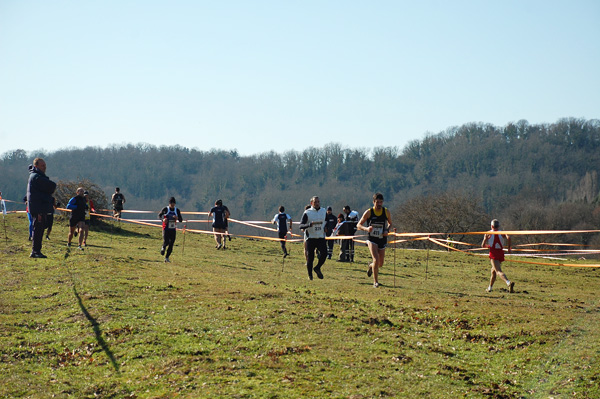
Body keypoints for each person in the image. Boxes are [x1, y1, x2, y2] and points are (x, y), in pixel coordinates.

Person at [357, 193, 393, 288]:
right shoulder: (369, 212)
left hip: (382, 239)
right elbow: (358, 225)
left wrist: (387, 230)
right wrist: (366, 229)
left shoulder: (386, 212)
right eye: (377, 202)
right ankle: (375, 282)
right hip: (372, 239)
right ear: (373, 202)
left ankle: (371, 266)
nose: (379, 204)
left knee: (380, 264)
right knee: (376, 259)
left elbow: (390, 223)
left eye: (381, 202)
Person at [26, 158, 57, 258]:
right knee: (38, 229)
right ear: (36, 166)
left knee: (41, 227)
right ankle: (35, 251)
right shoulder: (36, 177)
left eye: (45, 165)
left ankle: (37, 250)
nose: (45, 167)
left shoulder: (35, 176)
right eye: (42, 165)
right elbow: (51, 186)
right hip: (38, 207)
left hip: (39, 206)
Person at [299, 196, 328, 280]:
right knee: (310, 257)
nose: (317, 203)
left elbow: (327, 221)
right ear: (312, 203)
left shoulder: (323, 211)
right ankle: (310, 276)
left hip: (320, 237)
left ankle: (317, 268)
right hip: (310, 238)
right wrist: (308, 225)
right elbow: (301, 225)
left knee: (324, 254)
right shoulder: (307, 212)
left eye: (318, 202)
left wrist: (327, 227)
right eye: (315, 202)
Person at [482, 219, 514, 293]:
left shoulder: (488, 233)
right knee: (493, 271)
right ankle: (490, 288)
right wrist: (509, 248)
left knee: (498, 271)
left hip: (493, 253)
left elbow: (483, 245)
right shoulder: (502, 232)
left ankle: (508, 282)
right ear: (498, 226)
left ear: (491, 226)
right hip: (500, 252)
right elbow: (509, 238)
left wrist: (487, 243)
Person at [158, 197, 183, 263]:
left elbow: (181, 220)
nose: (172, 205)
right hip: (165, 228)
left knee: (171, 243)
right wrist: (163, 219)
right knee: (166, 241)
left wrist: (177, 218)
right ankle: (163, 248)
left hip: (172, 229)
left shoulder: (177, 210)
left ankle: (167, 258)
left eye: (173, 203)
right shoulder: (165, 209)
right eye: (171, 203)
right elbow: (159, 215)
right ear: (169, 203)